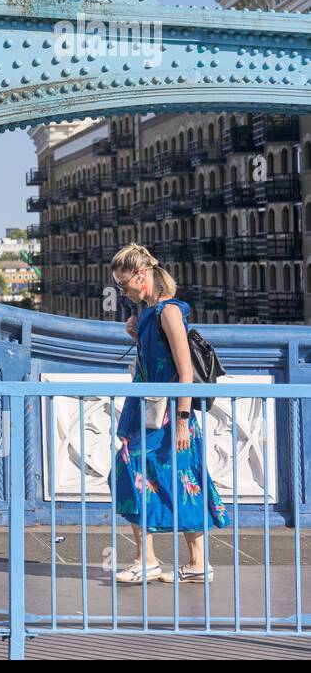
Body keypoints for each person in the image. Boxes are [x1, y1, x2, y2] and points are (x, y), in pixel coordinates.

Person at [109, 244, 228, 584]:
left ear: (142, 276)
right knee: (160, 476)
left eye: (123, 283)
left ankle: (166, 561)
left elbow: (185, 370)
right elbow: (151, 363)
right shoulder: (149, 314)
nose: (122, 291)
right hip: (150, 407)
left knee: (168, 475)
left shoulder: (169, 312)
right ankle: (176, 561)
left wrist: (183, 421)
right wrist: (136, 334)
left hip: (170, 412)